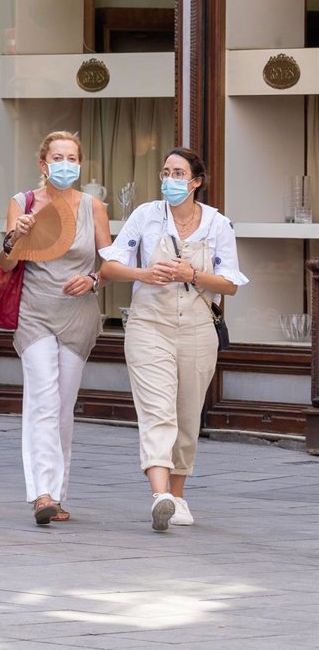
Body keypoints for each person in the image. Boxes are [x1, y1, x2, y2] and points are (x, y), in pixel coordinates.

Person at [100, 148, 246, 532]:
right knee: (157, 411)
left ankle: (178, 496)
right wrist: (144, 274)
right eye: (165, 172)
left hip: (198, 328)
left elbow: (230, 284)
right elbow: (109, 267)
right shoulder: (145, 215)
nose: (169, 179)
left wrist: (191, 274)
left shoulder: (217, 224)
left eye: (178, 173)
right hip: (149, 324)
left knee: (186, 415)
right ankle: (160, 494)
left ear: (196, 182)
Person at [0, 131, 111, 526]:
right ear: (43, 164)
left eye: (72, 158)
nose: (65, 165)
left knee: (63, 406)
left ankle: (57, 494)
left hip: (78, 315)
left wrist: (93, 280)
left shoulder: (93, 207)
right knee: (42, 400)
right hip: (35, 313)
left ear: (80, 164)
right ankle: (41, 493)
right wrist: (17, 235)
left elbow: (110, 263)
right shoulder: (23, 203)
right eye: (58, 157)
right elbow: (7, 264)